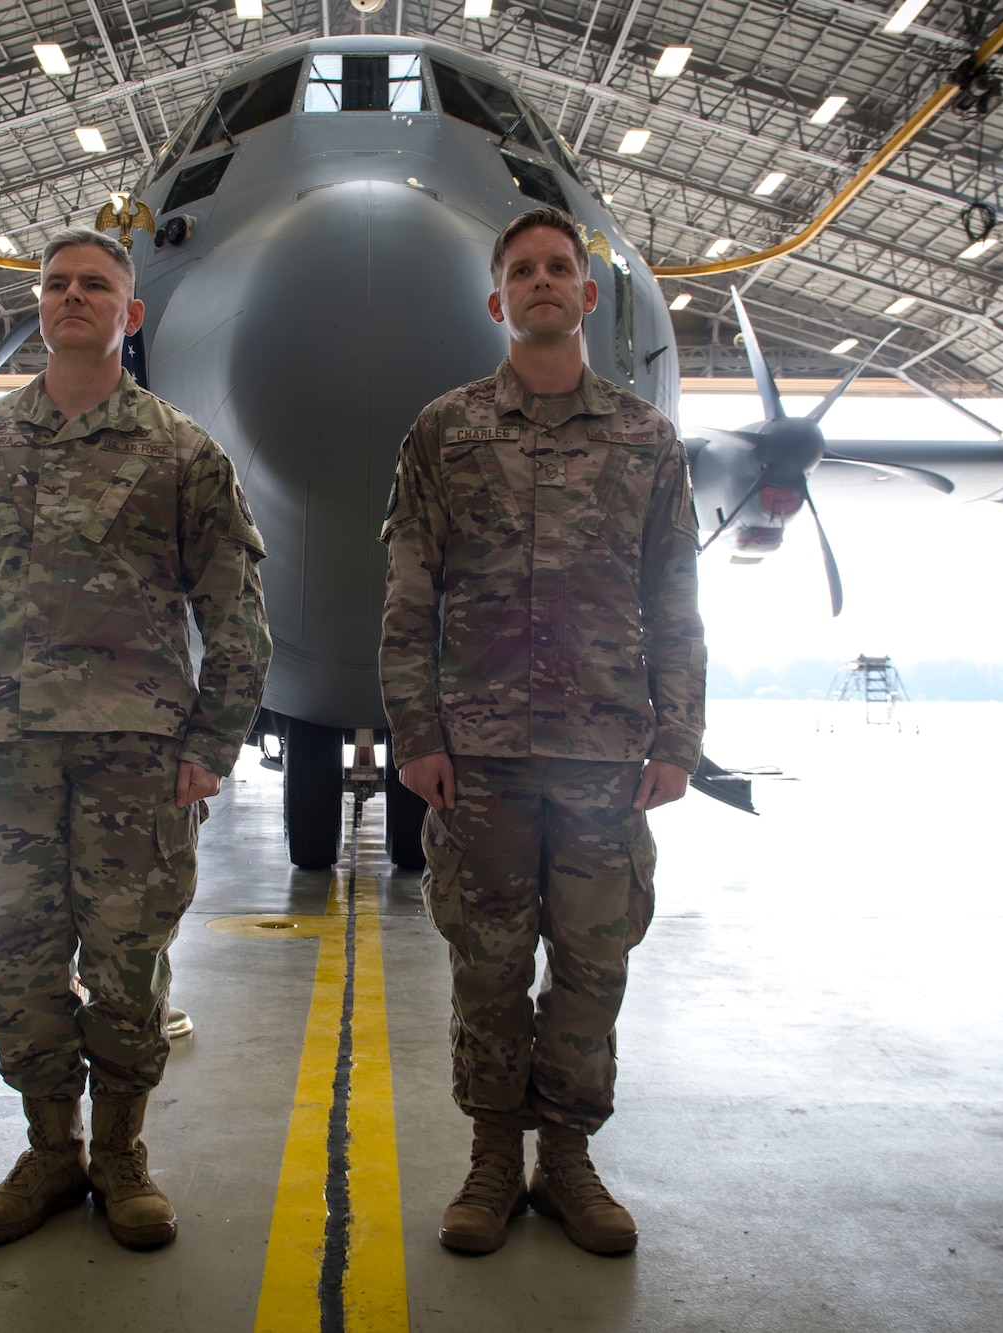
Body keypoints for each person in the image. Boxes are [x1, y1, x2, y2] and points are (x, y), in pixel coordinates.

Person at [0, 227, 271, 1250]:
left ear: (128, 314)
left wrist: (215, 739)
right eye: (56, 284)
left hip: (135, 758)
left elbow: (234, 610)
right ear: (38, 305)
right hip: (0, 754)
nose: (72, 298)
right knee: (14, 957)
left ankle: (121, 1156)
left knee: (126, 962)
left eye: (94, 286)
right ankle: (49, 1153)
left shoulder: (181, 452)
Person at [378, 206, 704, 1257]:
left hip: (605, 753)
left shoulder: (645, 440)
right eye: (521, 271)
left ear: (586, 294)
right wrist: (416, 729)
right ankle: (488, 1159)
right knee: (485, 964)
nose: (541, 282)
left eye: (558, 267)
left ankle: (563, 1156)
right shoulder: (444, 431)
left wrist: (677, 736)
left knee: (592, 963)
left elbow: (674, 596)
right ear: (497, 301)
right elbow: (407, 595)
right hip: (478, 756)